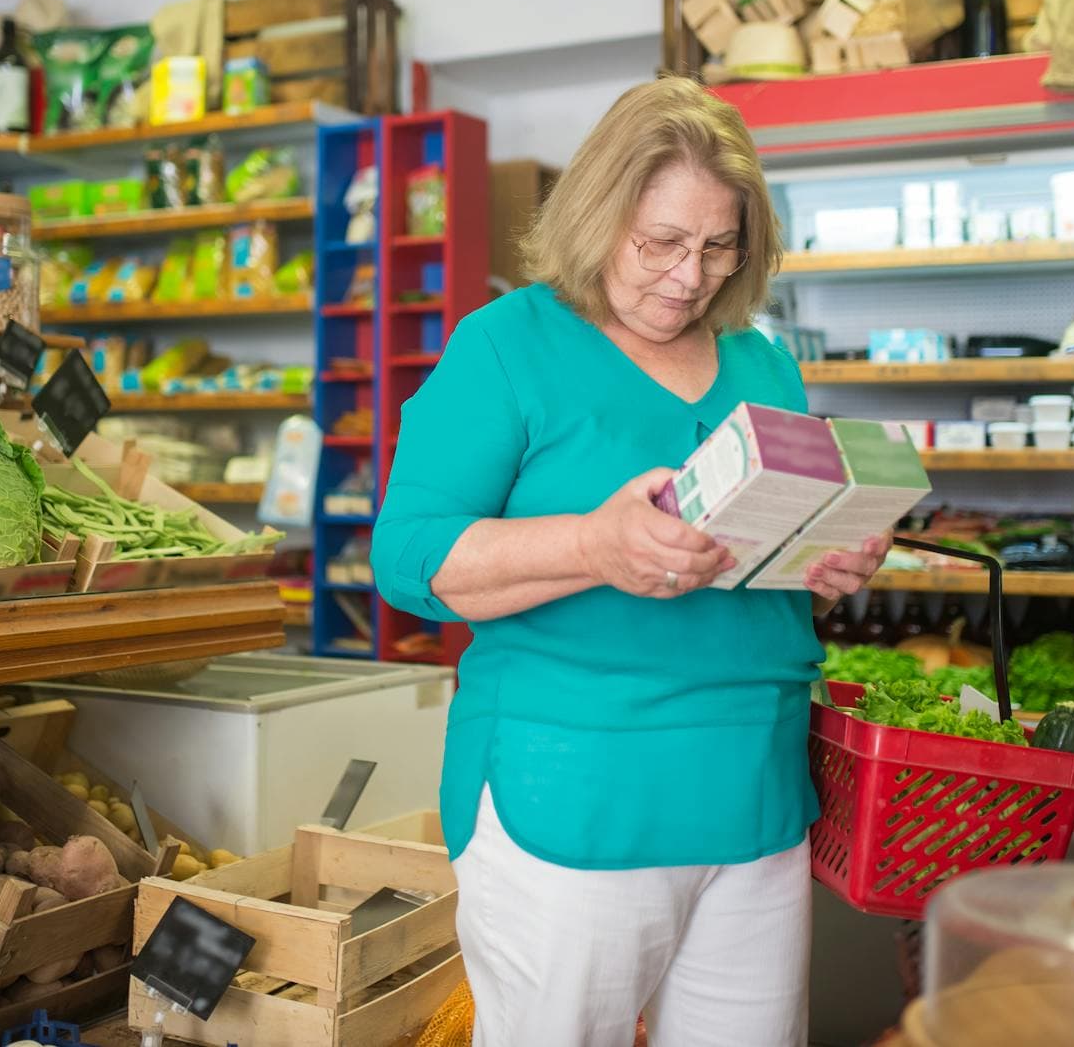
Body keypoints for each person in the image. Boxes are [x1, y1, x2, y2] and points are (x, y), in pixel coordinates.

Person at [371, 77, 890, 1046]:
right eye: (659, 241)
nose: (688, 276)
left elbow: (751, 545)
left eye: (717, 245)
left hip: (756, 796)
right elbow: (404, 556)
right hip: (570, 797)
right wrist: (591, 543)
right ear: (596, 212)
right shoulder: (505, 346)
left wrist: (820, 551)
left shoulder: (761, 361)